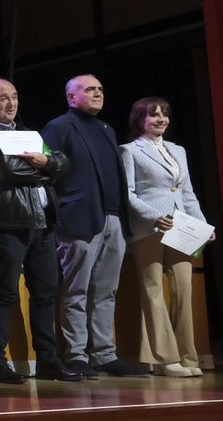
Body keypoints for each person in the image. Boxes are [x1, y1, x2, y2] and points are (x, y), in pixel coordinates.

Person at [0, 78, 80, 383]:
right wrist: (46, 170)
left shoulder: (27, 134)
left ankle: (47, 360)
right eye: (2, 98)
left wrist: (46, 163)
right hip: (8, 224)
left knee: (45, 294)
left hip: (43, 222)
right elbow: (8, 172)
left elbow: (63, 162)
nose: (10, 103)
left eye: (14, 97)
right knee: (4, 292)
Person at [41, 75, 149, 378]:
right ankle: (76, 354)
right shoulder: (59, 127)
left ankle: (104, 353)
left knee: (106, 290)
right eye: (90, 90)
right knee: (77, 289)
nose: (98, 93)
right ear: (71, 97)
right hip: (80, 218)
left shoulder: (106, 128)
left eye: (101, 89)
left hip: (113, 217)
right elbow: (47, 170)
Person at [121, 97, 212, 377]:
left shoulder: (178, 150)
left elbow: (187, 192)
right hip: (149, 228)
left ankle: (187, 356)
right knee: (153, 291)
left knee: (184, 289)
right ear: (140, 120)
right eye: (153, 115)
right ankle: (164, 359)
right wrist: (152, 216)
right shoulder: (129, 150)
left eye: (164, 115)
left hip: (181, 227)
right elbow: (129, 194)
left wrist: (203, 225)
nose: (160, 120)